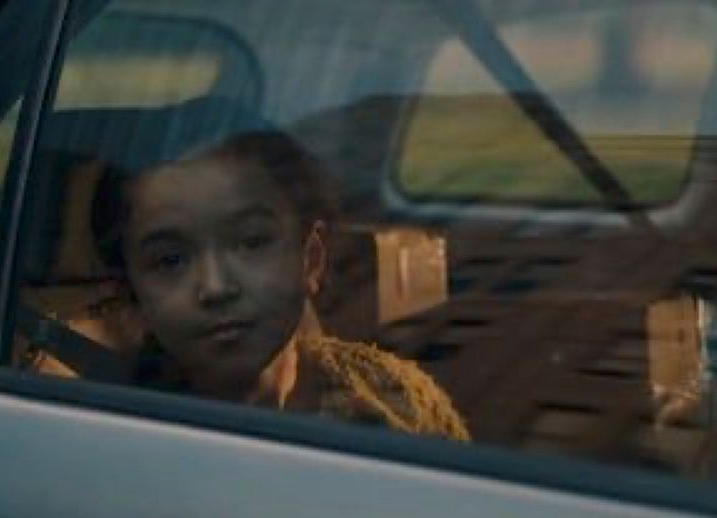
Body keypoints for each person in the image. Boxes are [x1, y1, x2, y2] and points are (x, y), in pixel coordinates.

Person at [28, 99, 469, 441]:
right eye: (170, 260)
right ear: (132, 290)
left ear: (310, 259)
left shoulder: (398, 402)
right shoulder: (100, 432)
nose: (216, 287)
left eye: (252, 241)